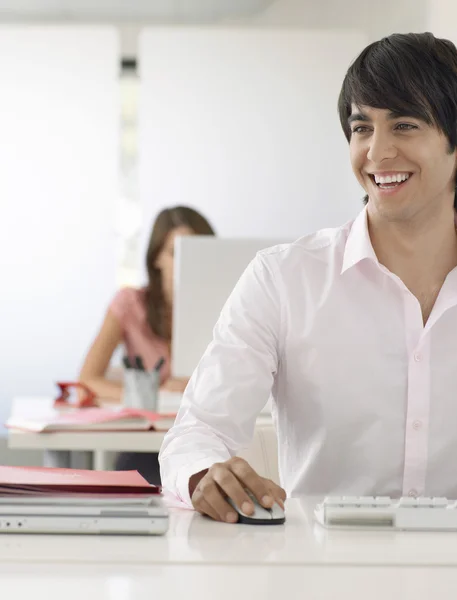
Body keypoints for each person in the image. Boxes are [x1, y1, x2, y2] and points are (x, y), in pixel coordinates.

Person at [159, 32, 457, 523]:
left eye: (404, 125)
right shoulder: (283, 280)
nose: (377, 153)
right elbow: (198, 431)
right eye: (362, 129)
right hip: (319, 573)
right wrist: (204, 473)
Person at [79, 206, 215, 484]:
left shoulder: (228, 309)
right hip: (148, 448)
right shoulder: (130, 304)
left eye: (199, 254)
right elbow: (88, 379)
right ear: (157, 260)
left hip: (206, 443)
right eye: (177, 253)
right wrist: (155, 392)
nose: (188, 264)